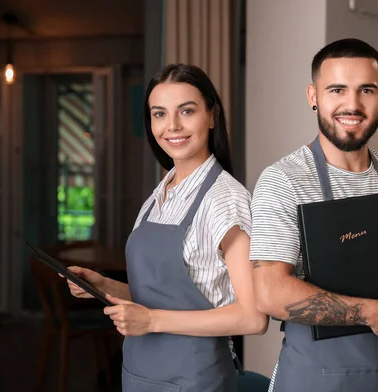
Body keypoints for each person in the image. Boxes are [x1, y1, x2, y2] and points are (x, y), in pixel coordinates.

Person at [250, 38, 378, 392]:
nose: (352, 105)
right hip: (313, 378)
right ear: (313, 96)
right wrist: (370, 312)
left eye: (366, 90)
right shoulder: (283, 180)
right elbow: (267, 291)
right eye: (337, 90)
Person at [65, 63, 268, 392]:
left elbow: (253, 317)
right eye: (159, 114)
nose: (171, 126)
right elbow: (162, 298)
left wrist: (152, 321)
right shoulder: (163, 191)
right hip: (140, 375)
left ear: (212, 115)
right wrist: (105, 285)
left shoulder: (225, 200)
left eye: (186, 111)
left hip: (194, 381)